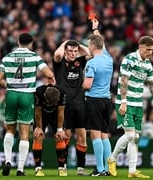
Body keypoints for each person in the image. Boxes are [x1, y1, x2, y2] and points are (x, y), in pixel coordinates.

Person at [0, 33, 55, 176]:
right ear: (31, 43)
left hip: (11, 94)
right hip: (27, 95)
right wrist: (50, 81)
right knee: (24, 134)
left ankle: (8, 160)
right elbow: (48, 73)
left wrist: (8, 86)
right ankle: (20, 169)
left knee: (9, 130)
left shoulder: (7, 57)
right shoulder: (34, 56)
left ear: (18, 42)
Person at [108, 36, 153, 178]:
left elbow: (152, 82)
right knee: (130, 135)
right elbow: (124, 80)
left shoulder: (148, 64)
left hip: (138, 103)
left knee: (136, 137)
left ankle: (132, 170)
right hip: (125, 102)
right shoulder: (129, 59)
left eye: (152, 50)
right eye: (148, 49)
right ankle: (112, 159)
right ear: (140, 47)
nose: (150, 52)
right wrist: (124, 101)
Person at [52, 39, 92, 176]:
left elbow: (91, 54)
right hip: (64, 103)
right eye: (70, 50)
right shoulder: (59, 62)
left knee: (82, 135)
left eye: (75, 51)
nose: (73, 53)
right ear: (65, 51)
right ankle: (62, 167)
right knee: (65, 135)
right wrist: (64, 44)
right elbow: (57, 54)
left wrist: (79, 45)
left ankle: (81, 168)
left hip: (80, 102)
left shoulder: (80, 61)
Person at [82, 18, 113, 176]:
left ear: (92, 46)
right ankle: (108, 169)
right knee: (104, 135)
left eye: (89, 45)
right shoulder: (108, 58)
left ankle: (100, 169)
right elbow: (102, 43)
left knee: (95, 135)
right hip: (107, 101)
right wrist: (95, 29)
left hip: (94, 100)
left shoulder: (92, 63)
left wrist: (78, 88)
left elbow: (87, 85)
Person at [32, 84, 66, 177]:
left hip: (56, 116)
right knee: (38, 136)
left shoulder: (62, 93)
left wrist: (59, 129)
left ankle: (61, 168)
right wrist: (39, 127)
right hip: (42, 115)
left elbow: (61, 111)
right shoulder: (39, 92)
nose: (53, 105)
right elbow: (37, 111)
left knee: (60, 137)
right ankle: (38, 168)